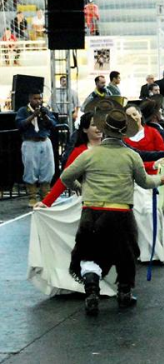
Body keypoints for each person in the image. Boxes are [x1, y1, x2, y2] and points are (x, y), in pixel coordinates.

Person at [39, 109, 164, 315]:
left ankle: (91, 289)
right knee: (126, 254)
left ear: (105, 130)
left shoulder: (88, 154)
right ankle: (124, 293)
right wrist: (159, 179)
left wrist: (80, 185)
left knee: (90, 253)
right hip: (121, 214)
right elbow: (145, 182)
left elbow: (65, 177)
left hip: (91, 212)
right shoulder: (131, 155)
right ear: (124, 132)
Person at [30, 112, 117, 297]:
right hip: (87, 204)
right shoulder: (79, 152)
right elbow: (64, 179)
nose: (98, 128)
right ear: (85, 129)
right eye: (94, 124)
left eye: (101, 124)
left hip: (112, 204)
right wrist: (46, 203)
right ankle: (82, 281)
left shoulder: (113, 148)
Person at [123, 102, 164, 264]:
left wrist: (156, 164)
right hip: (134, 182)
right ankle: (142, 251)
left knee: (152, 213)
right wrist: (151, 164)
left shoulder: (153, 132)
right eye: (129, 116)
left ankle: (156, 251)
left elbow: (162, 156)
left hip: (153, 181)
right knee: (139, 215)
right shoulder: (124, 140)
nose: (133, 118)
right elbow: (132, 163)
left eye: (135, 114)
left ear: (141, 115)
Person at [16, 93, 56, 206]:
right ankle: (32, 197)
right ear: (30, 99)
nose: (38, 101)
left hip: (44, 141)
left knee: (48, 169)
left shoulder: (45, 110)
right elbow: (20, 125)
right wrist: (33, 115)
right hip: (30, 142)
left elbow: (53, 124)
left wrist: (45, 116)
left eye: (40, 98)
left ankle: (45, 196)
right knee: (30, 169)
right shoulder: (23, 110)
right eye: (35, 98)